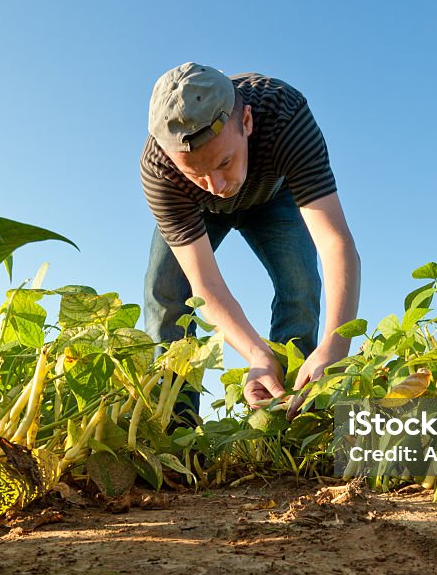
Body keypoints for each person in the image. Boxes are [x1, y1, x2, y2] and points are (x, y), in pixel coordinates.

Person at [141, 62, 361, 419]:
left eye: (224, 162)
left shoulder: (285, 115)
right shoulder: (159, 170)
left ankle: (291, 416)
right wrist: (256, 354)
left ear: (246, 122)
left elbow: (335, 243)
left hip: (274, 196)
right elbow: (205, 285)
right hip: (196, 211)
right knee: (164, 292)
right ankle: (174, 427)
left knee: (300, 285)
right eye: (196, 173)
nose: (217, 187)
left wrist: (335, 348)